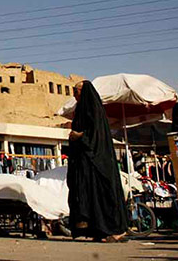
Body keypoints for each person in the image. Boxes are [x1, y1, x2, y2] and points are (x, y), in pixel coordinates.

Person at [67, 80, 128, 243]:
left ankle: (116, 230)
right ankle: (99, 230)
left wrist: (79, 136)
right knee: (89, 195)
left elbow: (97, 134)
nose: (74, 94)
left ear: (84, 92)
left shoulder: (94, 108)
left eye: (76, 90)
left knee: (104, 194)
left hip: (98, 160)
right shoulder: (80, 109)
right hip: (86, 160)